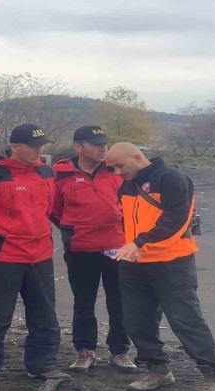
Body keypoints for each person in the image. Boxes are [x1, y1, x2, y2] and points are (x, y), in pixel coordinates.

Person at [105, 142, 215, 391]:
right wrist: (130, 247)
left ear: (138, 157)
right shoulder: (128, 184)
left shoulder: (172, 179)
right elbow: (129, 220)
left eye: (120, 165)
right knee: (136, 320)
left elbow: (176, 220)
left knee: (186, 321)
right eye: (114, 168)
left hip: (172, 262)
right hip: (136, 263)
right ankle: (157, 370)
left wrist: (139, 242)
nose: (118, 172)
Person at [0, 124, 69, 389]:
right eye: (32, 146)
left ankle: (43, 365)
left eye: (41, 146)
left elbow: (49, 209)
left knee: (44, 313)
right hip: (3, 257)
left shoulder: (47, 173)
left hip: (40, 254)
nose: (38, 151)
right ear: (14, 146)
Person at [51, 126, 137, 373]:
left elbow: (132, 204)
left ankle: (120, 351)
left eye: (104, 144)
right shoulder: (61, 173)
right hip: (80, 247)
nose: (103, 149)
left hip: (117, 247)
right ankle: (84, 351)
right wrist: (72, 228)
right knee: (84, 301)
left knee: (119, 300)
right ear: (79, 147)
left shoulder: (117, 170)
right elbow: (55, 208)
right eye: (96, 144)